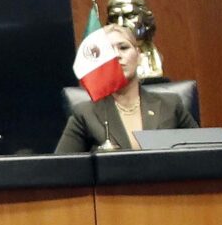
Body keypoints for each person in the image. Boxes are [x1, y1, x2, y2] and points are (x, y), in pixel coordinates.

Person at [55, 26, 197, 152]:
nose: (117, 55)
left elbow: (203, 153)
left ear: (139, 55)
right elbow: (61, 168)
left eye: (123, 47)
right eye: (109, 50)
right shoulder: (85, 114)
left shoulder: (170, 105)